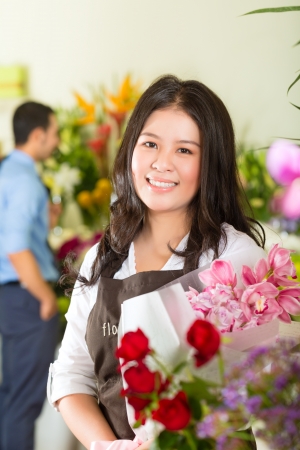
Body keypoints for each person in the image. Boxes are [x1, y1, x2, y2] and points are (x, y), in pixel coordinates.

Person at [48, 75, 266, 449]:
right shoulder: (104, 257)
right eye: (150, 144)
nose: (162, 163)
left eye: (185, 150)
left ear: (211, 163)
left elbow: (257, 385)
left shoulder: (234, 258)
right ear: (131, 149)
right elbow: (71, 375)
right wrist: (106, 446)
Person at [0, 101, 60, 450]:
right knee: (23, 402)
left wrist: (45, 224)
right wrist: (44, 295)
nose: (55, 143)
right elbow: (16, 247)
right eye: (53, 135)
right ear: (37, 136)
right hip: (27, 297)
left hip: (10, 296)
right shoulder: (24, 181)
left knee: (10, 397)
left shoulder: (7, 171)